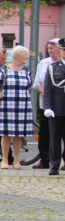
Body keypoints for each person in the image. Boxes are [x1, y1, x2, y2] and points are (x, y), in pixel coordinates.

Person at [0, 46, 32, 170]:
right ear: (17, 55)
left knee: (19, 135)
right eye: (25, 54)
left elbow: (28, 87)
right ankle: (5, 159)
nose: (27, 57)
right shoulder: (4, 70)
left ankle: (17, 160)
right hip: (7, 105)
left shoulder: (26, 71)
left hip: (23, 105)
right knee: (6, 134)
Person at [34, 39, 62, 169]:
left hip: (61, 102)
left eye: (52, 48)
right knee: (45, 133)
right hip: (47, 103)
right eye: (48, 48)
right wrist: (48, 94)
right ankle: (45, 160)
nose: (50, 51)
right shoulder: (44, 63)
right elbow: (37, 83)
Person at [44, 38, 65, 176]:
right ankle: (55, 165)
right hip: (57, 108)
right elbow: (48, 89)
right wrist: (47, 107)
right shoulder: (53, 67)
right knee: (55, 139)